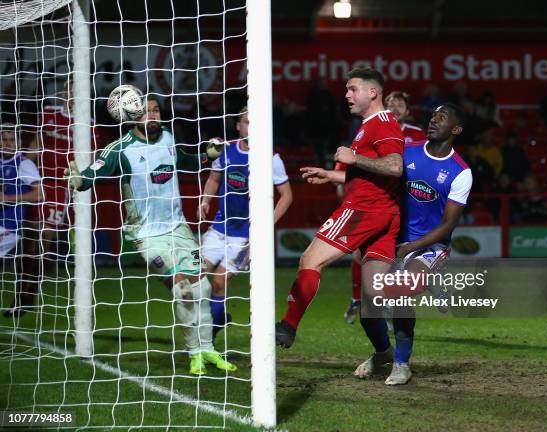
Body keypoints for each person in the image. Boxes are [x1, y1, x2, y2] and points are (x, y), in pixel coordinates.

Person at [64, 94, 235, 376]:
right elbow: (96, 171)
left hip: (179, 229)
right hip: (147, 236)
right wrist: (80, 179)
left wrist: (208, 154)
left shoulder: (168, 138)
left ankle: (208, 349)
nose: (153, 115)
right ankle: (193, 354)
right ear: (132, 116)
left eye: (155, 110)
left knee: (202, 288)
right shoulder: (122, 149)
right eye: (146, 112)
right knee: (183, 291)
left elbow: (187, 161)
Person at [275, 67, 404, 349]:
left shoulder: (381, 123)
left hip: (364, 211)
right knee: (372, 299)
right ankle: (387, 355)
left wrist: (354, 158)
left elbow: (395, 167)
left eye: (352, 89)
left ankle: (287, 326)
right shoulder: (369, 124)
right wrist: (332, 175)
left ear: (373, 92)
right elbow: (373, 175)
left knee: (310, 260)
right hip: (384, 213)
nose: (346, 95)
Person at [354, 103, 473, 385]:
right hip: (392, 238)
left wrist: (409, 247)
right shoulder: (408, 152)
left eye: (442, 118)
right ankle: (383, 352)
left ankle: (402, 364)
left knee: (399, 295)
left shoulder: (460, 172)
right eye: (433, 116)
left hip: (429, 246)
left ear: (455, 130)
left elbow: (448, 226)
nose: (434, 121)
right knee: (368, 308)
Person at [197, 107, 292, 341]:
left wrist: (266, 225)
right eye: (247, 122)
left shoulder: (270, 158)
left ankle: (206, 338)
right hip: (218, 229)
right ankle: (216, 320)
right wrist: (205, 201)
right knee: (195, 278)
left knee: (219, 283)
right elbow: (213, 178)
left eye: (256, 122)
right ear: (238, 126)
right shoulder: (224, 150)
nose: (252, 127)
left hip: (244, 237)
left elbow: (287, 196)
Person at [342, 90, 427, 325]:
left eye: (401, 104)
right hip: (376, 200)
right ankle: (357, 300)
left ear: (408, 112)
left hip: (405, 203)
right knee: (360, 255)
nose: (396, 107)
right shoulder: (373, 128)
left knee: (396, 256)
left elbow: (424, 164)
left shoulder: (417, 134)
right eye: (391, 103)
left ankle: (390, 306)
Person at [28, 78, 100, 269]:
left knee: (48, 224)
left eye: (77, 91)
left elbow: (92, 157)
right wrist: (24, 166)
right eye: (69, 90)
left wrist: (80, 177)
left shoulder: (87, 124)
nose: (72, 94)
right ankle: (35, 257)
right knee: (32, 223)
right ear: (62, 93)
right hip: (38, 178)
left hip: (63, 182)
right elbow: (36, 144)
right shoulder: (47, 114)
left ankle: (41, 259)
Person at [0, 124, 43, 317]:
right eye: (4, 139)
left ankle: (23, 300)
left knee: (29, 263)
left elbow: (40, 194)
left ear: (18, 142)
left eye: (12, 140)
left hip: (11, 226)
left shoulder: (23, 164)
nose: (8, 144)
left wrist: (7, 199)